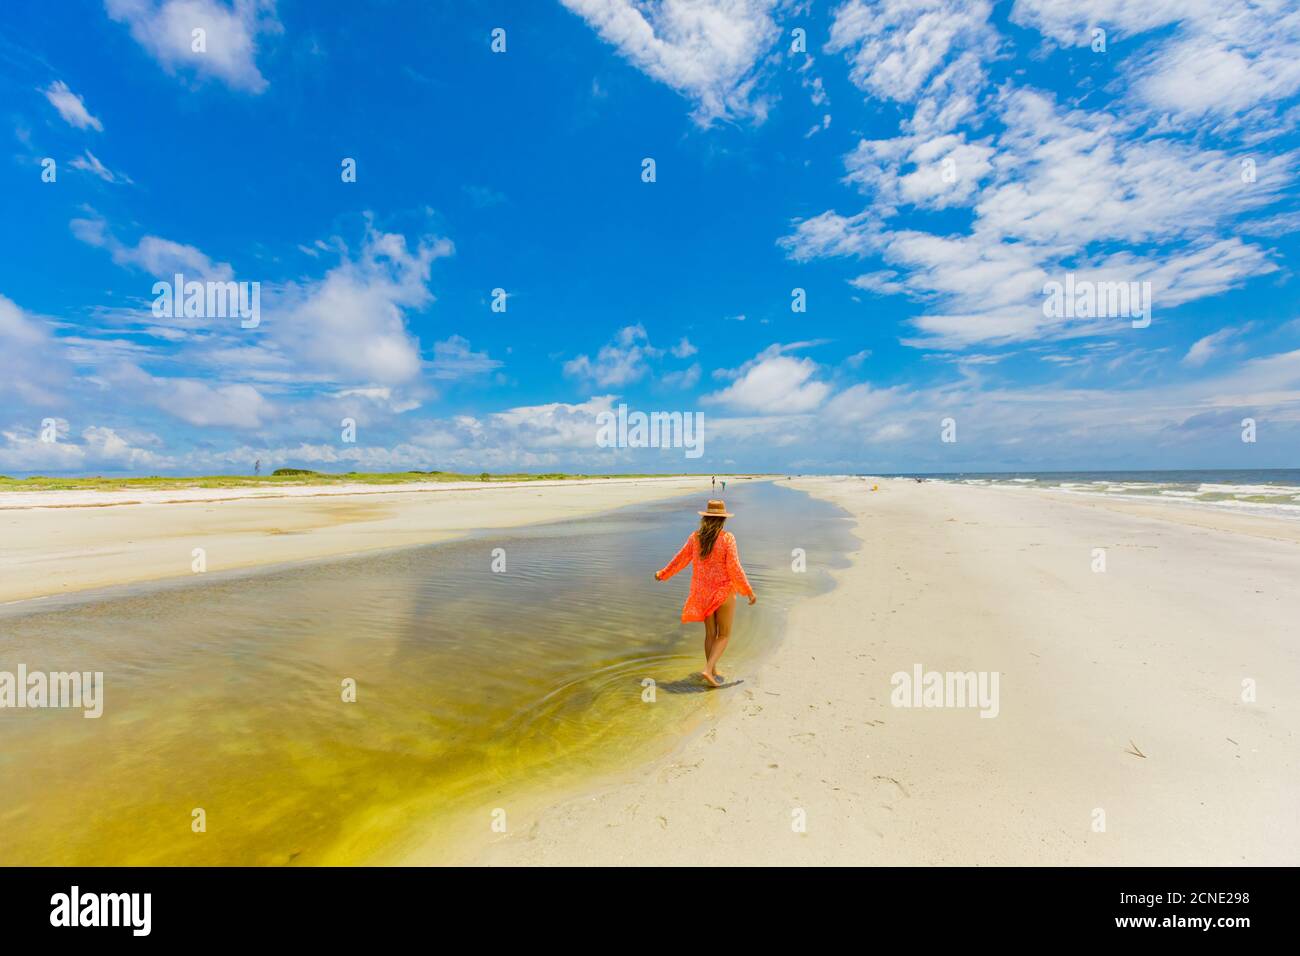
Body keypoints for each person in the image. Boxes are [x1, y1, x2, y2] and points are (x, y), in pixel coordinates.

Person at [654, 499, 756, 687]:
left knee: (710, 634)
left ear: (705, 518)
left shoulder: (695, 538)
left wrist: (663, 573)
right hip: (723, 593)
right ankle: (708, 670)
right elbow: (734, 567)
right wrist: (748, 590)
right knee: (724, 635)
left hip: (703, 594)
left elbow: (680, 559)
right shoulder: (727, 538)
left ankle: (713, 670)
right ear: (722, 520)